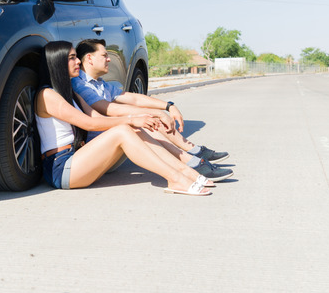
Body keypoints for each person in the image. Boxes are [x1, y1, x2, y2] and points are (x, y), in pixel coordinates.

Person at [35, 41, 214, 195]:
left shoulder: (71, 93)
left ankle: (184, 170)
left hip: (77, 159)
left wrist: (139, 119)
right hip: (61, 169)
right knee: (123, 130)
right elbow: (89, 123)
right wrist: (130, 119)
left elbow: (97, 117)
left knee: (133, 129)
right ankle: (175, 178)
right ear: (57, 62)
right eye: (72, 57)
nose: (78, 61)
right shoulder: (47, 95)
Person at [72, 39, 232, 180]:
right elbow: (108, 109)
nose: (109, 59)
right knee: (143, 122)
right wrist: (156, 113)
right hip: (100, 152)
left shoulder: (100, 84)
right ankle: (189, 162)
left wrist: (168, 106)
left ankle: (194, 153)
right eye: (104, 55)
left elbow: (134, 98)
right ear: (90, 58)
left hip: (115, 142)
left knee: (147, 119)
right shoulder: (79, 84)